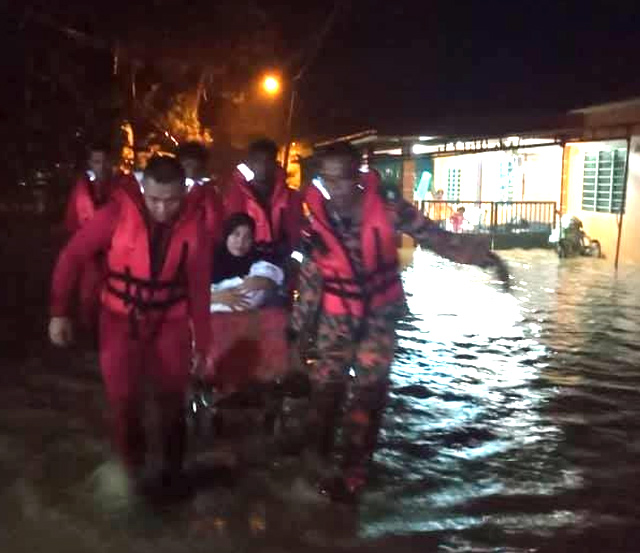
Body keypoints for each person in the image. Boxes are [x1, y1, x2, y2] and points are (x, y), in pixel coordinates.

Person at [288, 142, 510, 503]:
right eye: (326, 180)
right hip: (335, 318)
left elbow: (436, 238)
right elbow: (312, 278)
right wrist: (296, 336)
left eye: (341, 179)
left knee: (368, 397)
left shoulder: (389, 208)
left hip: (378, 317)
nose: (334, 189)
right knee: (325, 392)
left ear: (358, 176)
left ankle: (353, 478)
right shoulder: (317, 219)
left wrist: (483, 257)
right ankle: (317, 466)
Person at [48, 156, 212, 501]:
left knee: (172, 401)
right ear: (143, 189)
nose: (163, 209)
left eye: (171, 200)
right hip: (120, 320)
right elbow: (72, 256)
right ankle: (131, 473)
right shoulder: (116, 213)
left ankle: (172, 473)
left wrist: (204, 345)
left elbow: (198, 287)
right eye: (154, 200)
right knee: (123, 402)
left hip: (170, 320)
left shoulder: (195, 225)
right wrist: (59, 312)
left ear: (183, 193)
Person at [62, 143, 131, 336]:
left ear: (112, 162)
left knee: (118, 295)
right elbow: (73, 220)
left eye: (104, 161)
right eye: (96, 161)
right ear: (90, 163)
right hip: (91, 255)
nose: (100, 166)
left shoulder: (124, 185)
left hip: (117, 252)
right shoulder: (83, 187)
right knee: (89, 298)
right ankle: (92, 336)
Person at [223, 138, 303, 264]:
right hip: (243, 262)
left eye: (268, 161)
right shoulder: (237, 195)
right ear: (250, 164)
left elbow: (296, 234)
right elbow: (230, 232)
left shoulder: (290, 196)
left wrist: (292, 260)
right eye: (257, 161)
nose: (263, 167)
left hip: (280, 263)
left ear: (275, 164)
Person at [210, 213, 284, 313]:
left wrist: (269, 282)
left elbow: (279, 275)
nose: (241, 242)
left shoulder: (259, 258)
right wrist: (215, 297)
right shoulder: (209, 260)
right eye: (236, 234)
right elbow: (189, 294)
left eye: (247, 237)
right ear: (227, 235)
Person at [177, 141, 224, 240]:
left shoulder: (209, 193)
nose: (191, 170)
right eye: (188, 165)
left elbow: (213, 225)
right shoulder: (210, 191)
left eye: (193, 165)